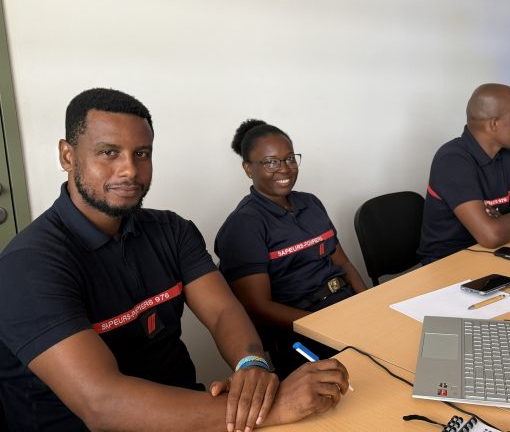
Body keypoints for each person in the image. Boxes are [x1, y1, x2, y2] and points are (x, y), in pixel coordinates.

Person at [0, 89, 350, 432]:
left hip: (193, 413)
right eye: (108, 152)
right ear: (67, 156)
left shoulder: (172, 230)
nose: (129, 170)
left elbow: (223, 311)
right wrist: (275, 407)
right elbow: (102, 404)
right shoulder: (28, 265)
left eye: (141, 153)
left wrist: (252, 364)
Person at [215, 120, 367, 379]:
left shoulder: (310, 203)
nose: (284, 168)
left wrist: (368, 302)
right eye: (271, 162)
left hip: (346, 308)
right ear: (248, 168)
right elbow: (258, 307)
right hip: (304, 331)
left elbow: (342, 262)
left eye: (289, 159)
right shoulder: (244, 225)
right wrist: (322, 326)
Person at [418, 84, 510, 264]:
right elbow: (491, 236)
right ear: (493, 124)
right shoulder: (452, 160)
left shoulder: (509, 155)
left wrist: (505, 225)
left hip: (494, 251)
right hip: (447, 262)